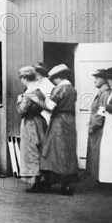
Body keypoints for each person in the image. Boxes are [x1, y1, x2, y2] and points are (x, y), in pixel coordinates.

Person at [32, 64, 78, 195]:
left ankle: (59, 183)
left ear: (58, 77)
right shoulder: (72, 89)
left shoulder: (60, 89)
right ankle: (66, 182)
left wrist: (38, 100)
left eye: (53, 78)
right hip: (70, 120)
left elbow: (50, 107)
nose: (52, 81)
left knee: (57, 150)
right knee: (67, 150)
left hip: (59, 121)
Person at [16, 66, 48, 192]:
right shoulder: (39, 91)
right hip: (39, 121)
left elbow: (23, 110)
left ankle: (35, 182)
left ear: (24, 78)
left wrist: (19, 101)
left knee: (31, 150)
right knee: (40, 148)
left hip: (29, 122)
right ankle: (43, 179)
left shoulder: (28, 93)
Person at [86, 69, 111, 181]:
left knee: (98, 152)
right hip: (97, 127)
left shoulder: (105, 93)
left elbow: (102, 112)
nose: (95, 80)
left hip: (99, 128)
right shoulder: (102, 92)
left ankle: (100, 178)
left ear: (105, 79)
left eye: (98, 78)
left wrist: (94, 125)